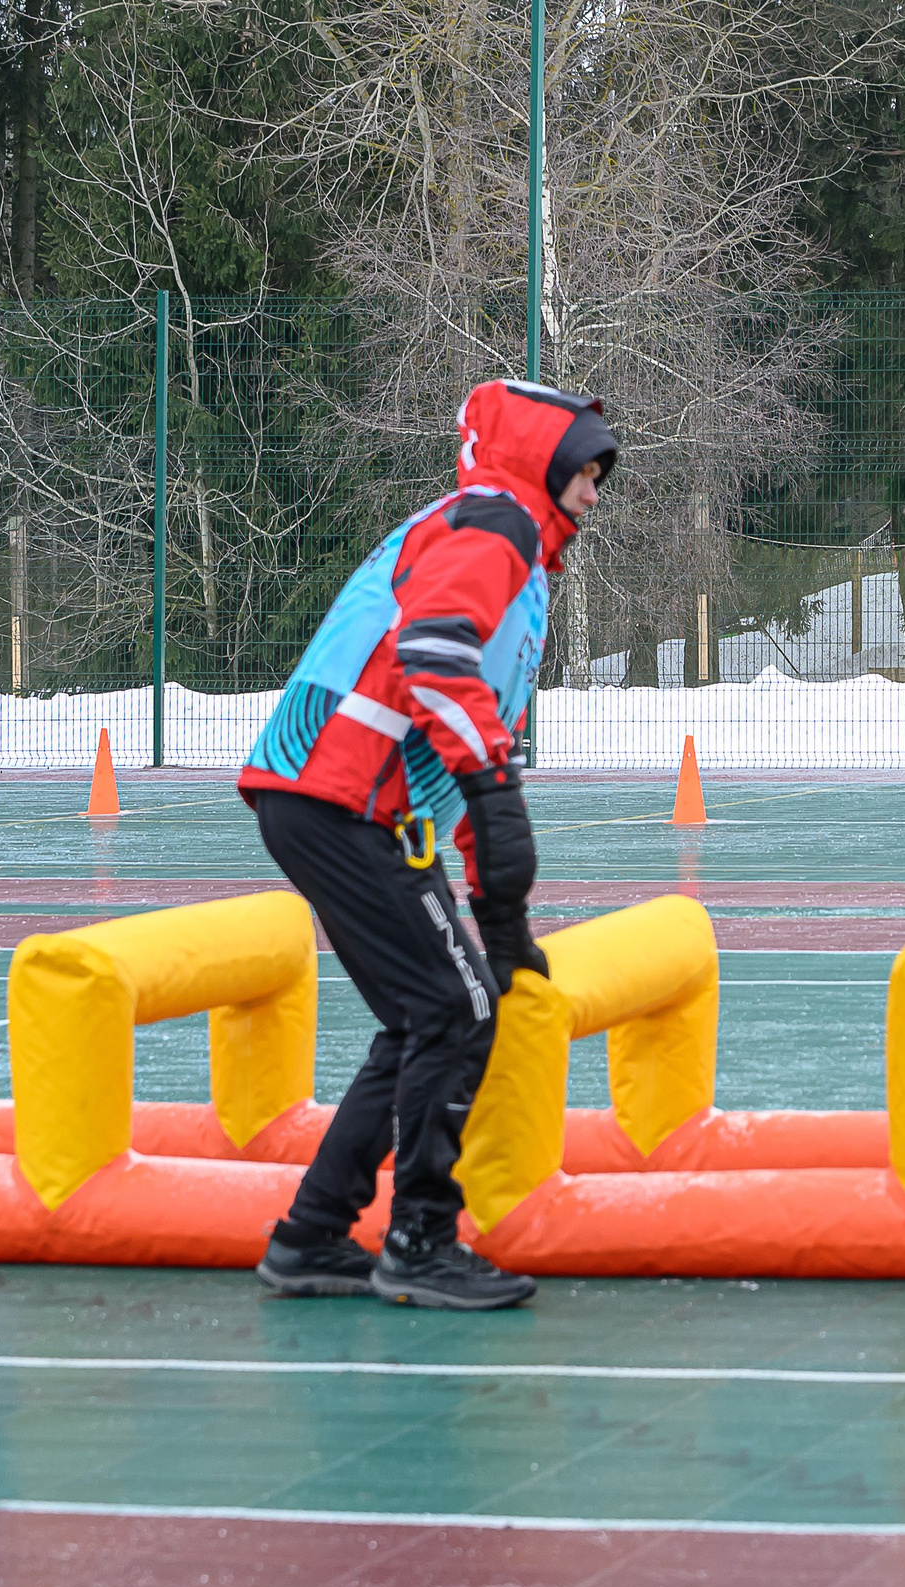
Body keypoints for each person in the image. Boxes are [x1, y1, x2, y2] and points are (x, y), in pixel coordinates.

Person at [240, 379, 618, 1310]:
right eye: (589, 470)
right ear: (545, 461)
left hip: (344, 800)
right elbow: (437, 656)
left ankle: (313, 1233)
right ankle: (420, 1241)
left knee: (433, 1012)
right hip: (336, 794)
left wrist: (500, 913)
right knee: (456, 1012)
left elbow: (461, 762)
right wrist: (495, 786)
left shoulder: (517, 559)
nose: (598, 492)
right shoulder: (495, 524)